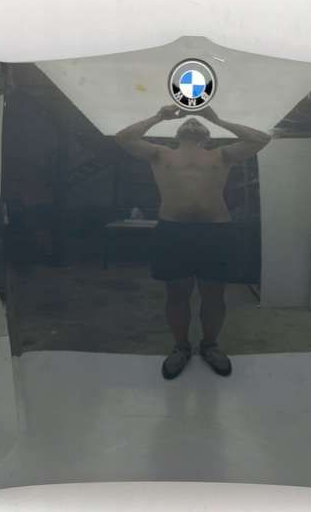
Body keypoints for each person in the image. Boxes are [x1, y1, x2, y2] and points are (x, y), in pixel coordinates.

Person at [115, 105, 271, 379]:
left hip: (215, 232)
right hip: (173, 232)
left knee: (214, 295)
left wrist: (219, 119)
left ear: (207, 136)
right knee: (177, 294)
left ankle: (210, 345)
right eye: (188, 122)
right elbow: (124, 138)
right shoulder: (160, 153)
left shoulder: (221, 154)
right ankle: (181, 347)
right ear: (176, 134)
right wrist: (160, 116)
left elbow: (261, 139)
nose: (192, 121)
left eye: (199, 122)